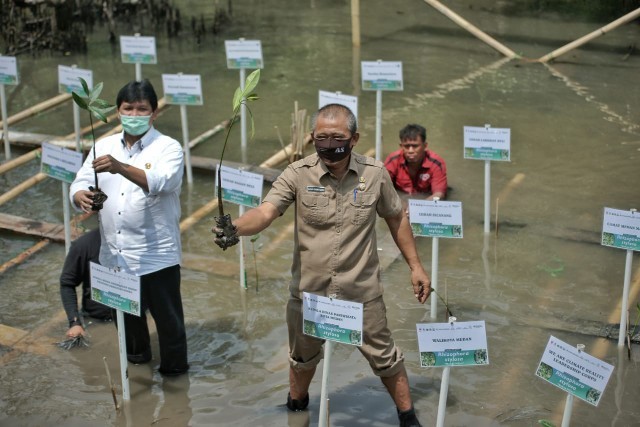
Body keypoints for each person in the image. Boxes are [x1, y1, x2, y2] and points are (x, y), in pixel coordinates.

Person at [213, 104, 431, 427]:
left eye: (337, 137)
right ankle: (296, 410)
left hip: (362, 291)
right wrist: (237, 228)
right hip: (309, 294)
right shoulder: (297, 174)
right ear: (311, 137)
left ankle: (408, 417)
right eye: (322, 137)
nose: (329, 144)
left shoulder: (374, 174)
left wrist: (416, 266)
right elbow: (266, 211)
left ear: (354, 138)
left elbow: (396, 218)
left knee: (385, 358)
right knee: (302, 359)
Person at [70, 79, 188, 376]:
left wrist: (120, 167)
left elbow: (162, 183)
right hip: (115, 256)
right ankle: (138, 373)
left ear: (154, 113)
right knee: (128, 325)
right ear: (117, 112)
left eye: (141, 109)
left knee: (169, 324)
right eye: (128, 109)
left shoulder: (168, 148)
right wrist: (80, 196)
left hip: (156, 256)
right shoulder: (104, 144)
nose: (134, 114)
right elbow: (80, 182)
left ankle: (176, 380)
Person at [60, 228, 112, 338]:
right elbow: (67, 284)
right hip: (98, 319)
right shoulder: (84, 245)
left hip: (136, 313)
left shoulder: (140, 241)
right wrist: (74, 322)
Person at [384, 124, 447, 200]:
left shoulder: (436, 163)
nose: (410, 151)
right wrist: (399, 206)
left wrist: (419, 207)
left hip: (426, 198)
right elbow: (383, 189)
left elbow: (438, 194)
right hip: (400, 199)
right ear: (401, 146)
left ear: (425, 146)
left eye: (415, 146)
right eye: (406, 146)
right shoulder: (393, 160)